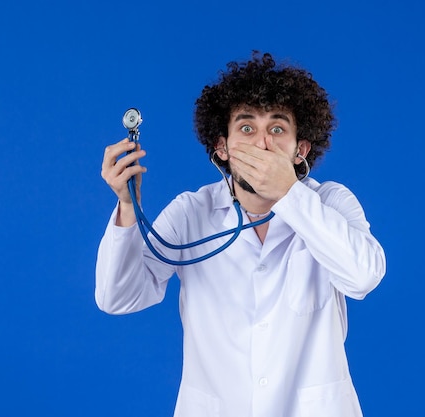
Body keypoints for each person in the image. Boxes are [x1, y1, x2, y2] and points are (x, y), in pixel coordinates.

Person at [96, 51, 386, 417]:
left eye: (277, 129)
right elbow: (118, 297)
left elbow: (364, 277)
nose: (262, 143)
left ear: (301, 150)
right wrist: (126, 205)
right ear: (223, 148)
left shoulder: (329, 202)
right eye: (247, 128)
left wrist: (289, 194)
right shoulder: (191, 211)